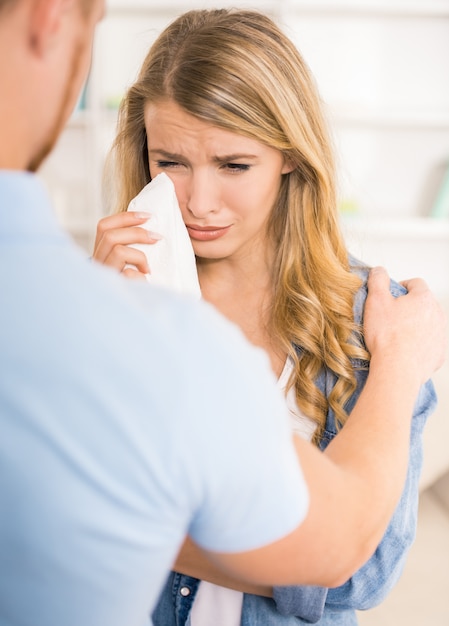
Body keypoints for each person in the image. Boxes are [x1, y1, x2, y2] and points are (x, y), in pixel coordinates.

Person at [0, 3, 446, 626]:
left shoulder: (378, 324)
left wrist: (142, 521)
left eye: (234, 165)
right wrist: (103, 327)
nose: (198, 203)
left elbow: (357, 579)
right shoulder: (112, 298)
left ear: (291, 154)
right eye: (169, 163)